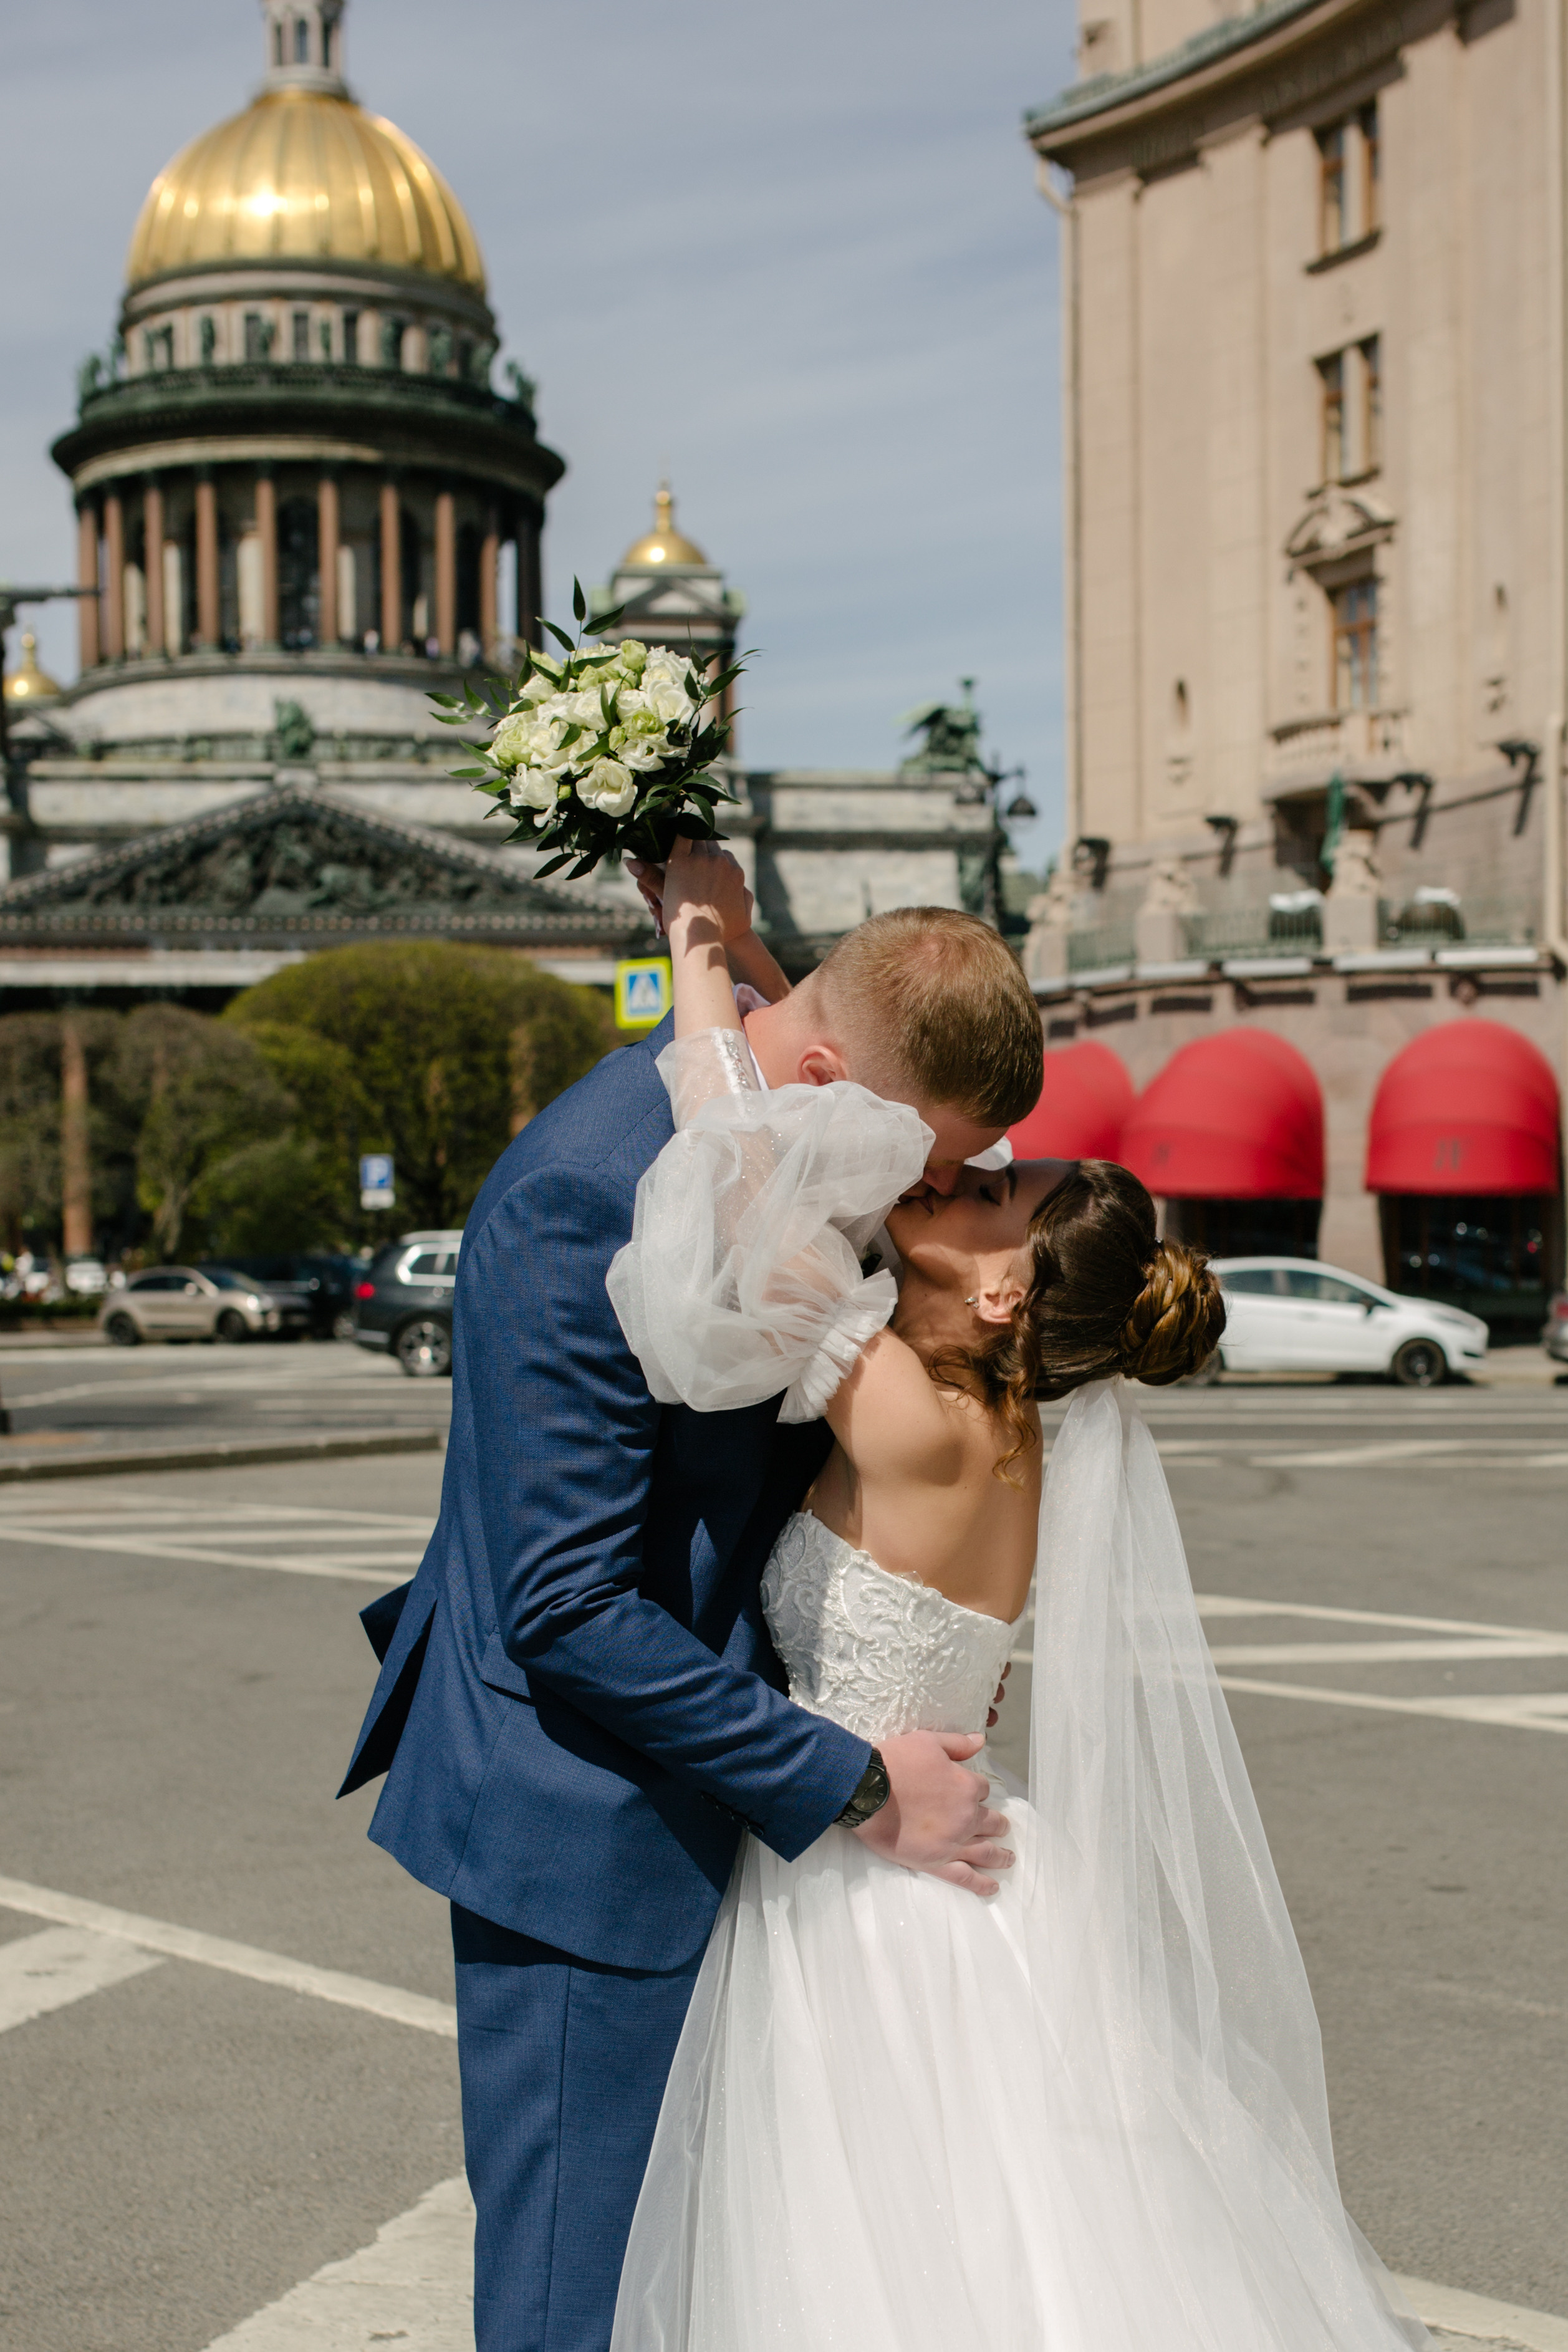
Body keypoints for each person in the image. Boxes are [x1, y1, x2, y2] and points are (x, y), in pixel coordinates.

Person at [604, 841, 1435, 2351]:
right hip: (981, 1863)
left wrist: (703, 963)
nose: (939, 1171)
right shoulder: (1021, 1430)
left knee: (889, 2257)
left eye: (988, 1187)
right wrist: (827, 1003)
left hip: (867, 1885)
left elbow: (740, 1183)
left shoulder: (916, 1423)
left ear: (1000, 1292)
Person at [337, 881, 1045, 2352]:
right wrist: (856, 1782)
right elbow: (569, 1602)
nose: (907, 1202)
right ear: (831, 1088)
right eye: (924, 1165)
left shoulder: (770, 1120)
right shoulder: (584, 1195)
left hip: (728, 1806)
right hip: (584, 1822)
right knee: (578, 2300)